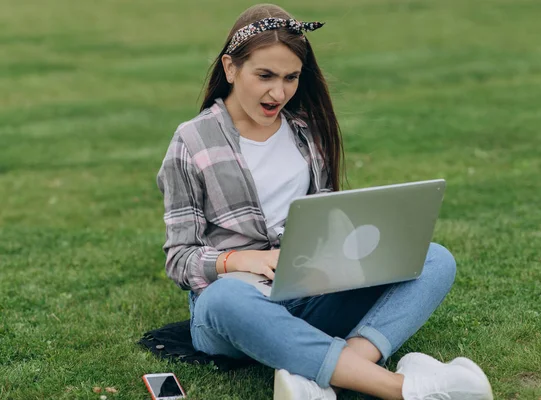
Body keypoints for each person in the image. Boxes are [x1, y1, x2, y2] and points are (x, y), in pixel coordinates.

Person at [157, 4, 494, 400]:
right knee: (223, 299)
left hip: (311, 292)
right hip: (237, 305)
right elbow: (180, 259)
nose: (278, 92)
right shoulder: (192, 142)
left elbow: (326, 218)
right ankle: (399, 388)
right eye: (264, 75)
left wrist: (354, 248)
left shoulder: (306, 133)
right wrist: (241, 260)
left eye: (290, 77)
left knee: (435, 259)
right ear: (231, 69)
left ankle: (332, 373)